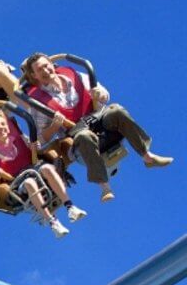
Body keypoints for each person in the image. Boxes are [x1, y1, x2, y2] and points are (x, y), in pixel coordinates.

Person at [20, 53, 172, 202]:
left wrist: (101, 95)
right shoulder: (38, 103)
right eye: (40, 70)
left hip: (97, 119)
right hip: (77, 135)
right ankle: (105, 187)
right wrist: (54, 127)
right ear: (34, 76)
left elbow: (102, 93)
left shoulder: (73, 75)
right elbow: (40, 139)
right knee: (84, 136)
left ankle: (147, 157)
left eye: (46, 66)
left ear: (52, 64)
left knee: (116, 110)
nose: (46, 71)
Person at [0, 102, 86, 238]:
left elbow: (34, 148)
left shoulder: (19, 139)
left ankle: (70, 206)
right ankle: (53, 222)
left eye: (3, 124)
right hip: (18, 181)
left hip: (35, 168)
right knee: (30, 182)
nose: (1, 128)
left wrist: (35, 147)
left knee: (47, 168)